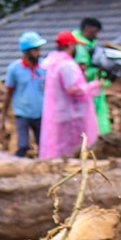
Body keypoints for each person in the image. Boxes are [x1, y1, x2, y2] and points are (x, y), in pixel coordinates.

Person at [40, 30, 102, 158]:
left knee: (61, 145)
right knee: (72, 147)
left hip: (60, 112)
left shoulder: (53, 63)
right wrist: (93, 85)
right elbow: (73, 89)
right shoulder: (66, 64)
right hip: (71, 115)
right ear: (69, 46)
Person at [2, 31, 47, 158]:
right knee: (22, 145)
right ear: (27, 52)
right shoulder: (15, 69)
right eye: (35, 50)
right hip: (22, 113)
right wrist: (2, 119)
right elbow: (9, 93)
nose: (39, 53)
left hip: (40, 113)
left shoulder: (44, 67)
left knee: (43, 144)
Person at [73, 16, 112, 134]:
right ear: (87, 28)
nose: (96, 35)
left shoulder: (92, 46)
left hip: (94, 89)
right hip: (82, 91)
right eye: (95, 31)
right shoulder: (77, 47)